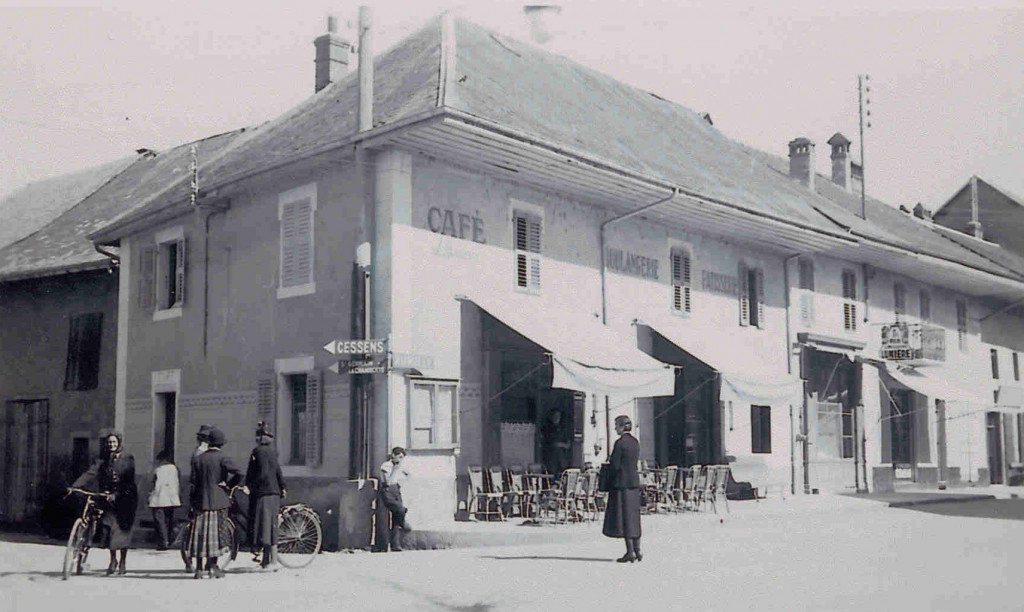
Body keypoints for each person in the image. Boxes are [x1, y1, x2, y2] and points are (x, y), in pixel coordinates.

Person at [70, 430, 138, 575]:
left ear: (119, 443)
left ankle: (123, 562)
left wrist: (117, 494)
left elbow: (128, 480)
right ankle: (113, 560)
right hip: (108, 500)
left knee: (123, 532)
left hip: (125, 499)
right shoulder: (103, 460)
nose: (111, 445)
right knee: (109, 530)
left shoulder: (128, 458)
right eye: (109, 443)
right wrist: (75, 485)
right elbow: (90, 473)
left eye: (114, 442)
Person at [188, 427, 243, 579]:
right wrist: (228, 484)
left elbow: (193, 482)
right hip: (219, 500)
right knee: (217, 536)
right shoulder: (223, 457)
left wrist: (192, 502)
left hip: (201, 501)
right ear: (221, 444)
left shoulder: (198, 458)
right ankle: (213, 567)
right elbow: (239, 473)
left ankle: (199, 569)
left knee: (200, 536)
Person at [245, 421, 286, 569]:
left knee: (263, 526)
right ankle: (268, 560)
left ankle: (270, 560)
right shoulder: (273, 452)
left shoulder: (257, 452)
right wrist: (283, 487)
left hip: (262, 492)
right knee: (270, 526)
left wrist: (248, 485)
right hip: (274, 492)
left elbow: (253, 473)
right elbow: (277, 471)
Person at [602, 415, 642, 563]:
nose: (614, 428)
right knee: (634, 517)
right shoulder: (635, 442)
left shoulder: (620, 443)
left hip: (621, 484)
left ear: (621, 426)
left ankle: (630, 551)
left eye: (616, 425)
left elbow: (615, 465)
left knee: (624, 518)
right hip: (633, 483)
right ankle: (637, 550)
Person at [375, 447, 412, 552]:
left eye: (402, 458)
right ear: (393, 455)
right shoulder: (386, 466)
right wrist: (395, 470)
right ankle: (403, 523)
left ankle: (395, 545)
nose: (400, 460)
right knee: (399, 509)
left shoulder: (399, 465)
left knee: (395, 519)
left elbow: (408, 474)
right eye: (399, 457)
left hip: (396, 489)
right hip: (387, 491)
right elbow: (388, 481)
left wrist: (402, 482)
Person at [148, 450, 181, 550]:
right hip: (171, 498)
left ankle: (163, 542)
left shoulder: (158, 469)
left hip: (159, 499)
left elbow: (154, 484)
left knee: (160, 521)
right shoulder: (175, 469)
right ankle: (169, 540)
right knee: (168, 520)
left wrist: (150, 496)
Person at [541, 409, 571, 479]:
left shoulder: (562, 429)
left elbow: (568, 442)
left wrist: (565, 445)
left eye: (558, 416)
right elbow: (551, 443)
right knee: (552, 475)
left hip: (561, 458)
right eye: (555, 416)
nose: (556, 418)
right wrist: (563, 445)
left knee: (561, 474)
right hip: (551, 458)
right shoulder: (548, 428)